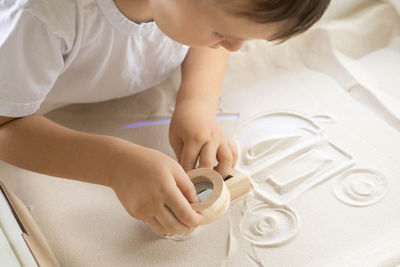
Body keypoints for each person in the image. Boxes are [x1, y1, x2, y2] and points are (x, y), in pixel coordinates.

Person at [0, 0, 330, 236]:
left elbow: (208, 40)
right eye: (220, 33)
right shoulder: (41, 17)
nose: (233, 48)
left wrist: (197, 101)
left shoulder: (186, 10)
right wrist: (113, 165)